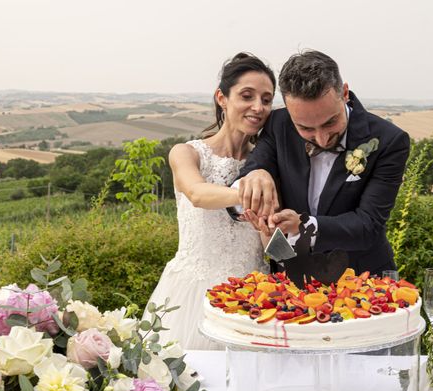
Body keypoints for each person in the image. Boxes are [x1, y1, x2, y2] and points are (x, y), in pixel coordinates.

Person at [144, 53, 275, 350]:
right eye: (247, 95)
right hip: (192, 294)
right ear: (222, 98)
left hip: (253, 299)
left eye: (266, 100)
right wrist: (251, 193)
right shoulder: (186, 153)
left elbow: (269, 245)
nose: (258, 107)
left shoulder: (268, 167)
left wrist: (270, 224)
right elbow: (198, 194)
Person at [238, 50, 410, 275]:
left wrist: (304, 225)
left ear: (345, 93)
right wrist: (255, 176)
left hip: (364, 281)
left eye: (331, 122)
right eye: (305, 128)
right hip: (290, 280)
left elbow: (368, 225)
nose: (322, 138)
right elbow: (245, 180)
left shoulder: (389, 140)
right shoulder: (277, 125)